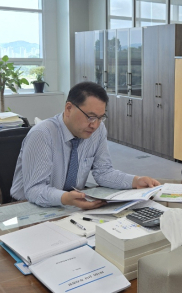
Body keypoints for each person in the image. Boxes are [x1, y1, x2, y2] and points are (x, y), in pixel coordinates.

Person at [10, 81, 160, 208]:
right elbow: (34, 189)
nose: (94, 125)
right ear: (69, 109)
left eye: (100, 117)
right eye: (90, 117)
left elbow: (103, 172)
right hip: (27, 206)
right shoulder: (42, 134)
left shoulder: (98, 130)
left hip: (71, 205)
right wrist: (65, 198)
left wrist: (135, 181)